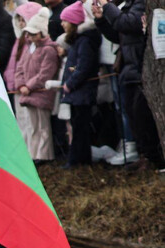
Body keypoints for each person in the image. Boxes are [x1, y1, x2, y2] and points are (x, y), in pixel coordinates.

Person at [93, 0, 165, 170]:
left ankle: (156, 159)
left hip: (140, 68)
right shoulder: (130, 5)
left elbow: (129, 24)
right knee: (133, 117)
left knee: (143, 117)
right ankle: (146, 156)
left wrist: (107, 6)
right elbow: (119, 33)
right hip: (130, 68)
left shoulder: (142, 3)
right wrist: (101, 20)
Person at [59, 1, 100, 167]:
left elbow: (84, 66)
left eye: (65, 21)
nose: (62, 24)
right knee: (77, 126)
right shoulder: (78, 41)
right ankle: (80, 159)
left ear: (74, 22)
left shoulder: (85, 41)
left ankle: (77, 160)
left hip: (82, 92)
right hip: (78, 93)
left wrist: (70, 83)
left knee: (80, 127)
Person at [14, 9, 59, 163]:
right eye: (29, 34)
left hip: (41, 93)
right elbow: (19, 68)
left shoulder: (48, 50)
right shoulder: (28, 48)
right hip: (28, 93)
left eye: (33, 34)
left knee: (43, 126)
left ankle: (44, 155)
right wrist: (21, 85)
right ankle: (32, 154)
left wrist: (29, 86)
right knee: (32, 126)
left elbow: (45, 73)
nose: (30, 37)